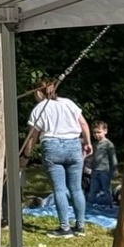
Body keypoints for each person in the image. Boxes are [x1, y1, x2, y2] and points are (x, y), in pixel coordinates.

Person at [22, 79, 90, 238]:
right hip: (74, 145)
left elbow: (32, 137)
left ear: (38, 92)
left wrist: (26, 156)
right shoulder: (68, 103)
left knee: (59, 189)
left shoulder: (39, 109)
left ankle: (64, 228)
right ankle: (80, 226)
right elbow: (84, 124)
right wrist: (87, 143)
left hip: (52, 147)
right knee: (76, 188)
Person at [86, 119, 119, 208]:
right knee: (93, 188)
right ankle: (91, 203)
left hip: (105, 170)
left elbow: (113, 157)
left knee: (106, 188)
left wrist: (115, 170)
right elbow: (91, 156)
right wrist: (88, 166)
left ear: (105, 131)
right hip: (94, 171)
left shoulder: (108, 144)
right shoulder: (94, 144)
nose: (96, 135)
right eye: (94, 133)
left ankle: (109, 203)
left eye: (99, 132)